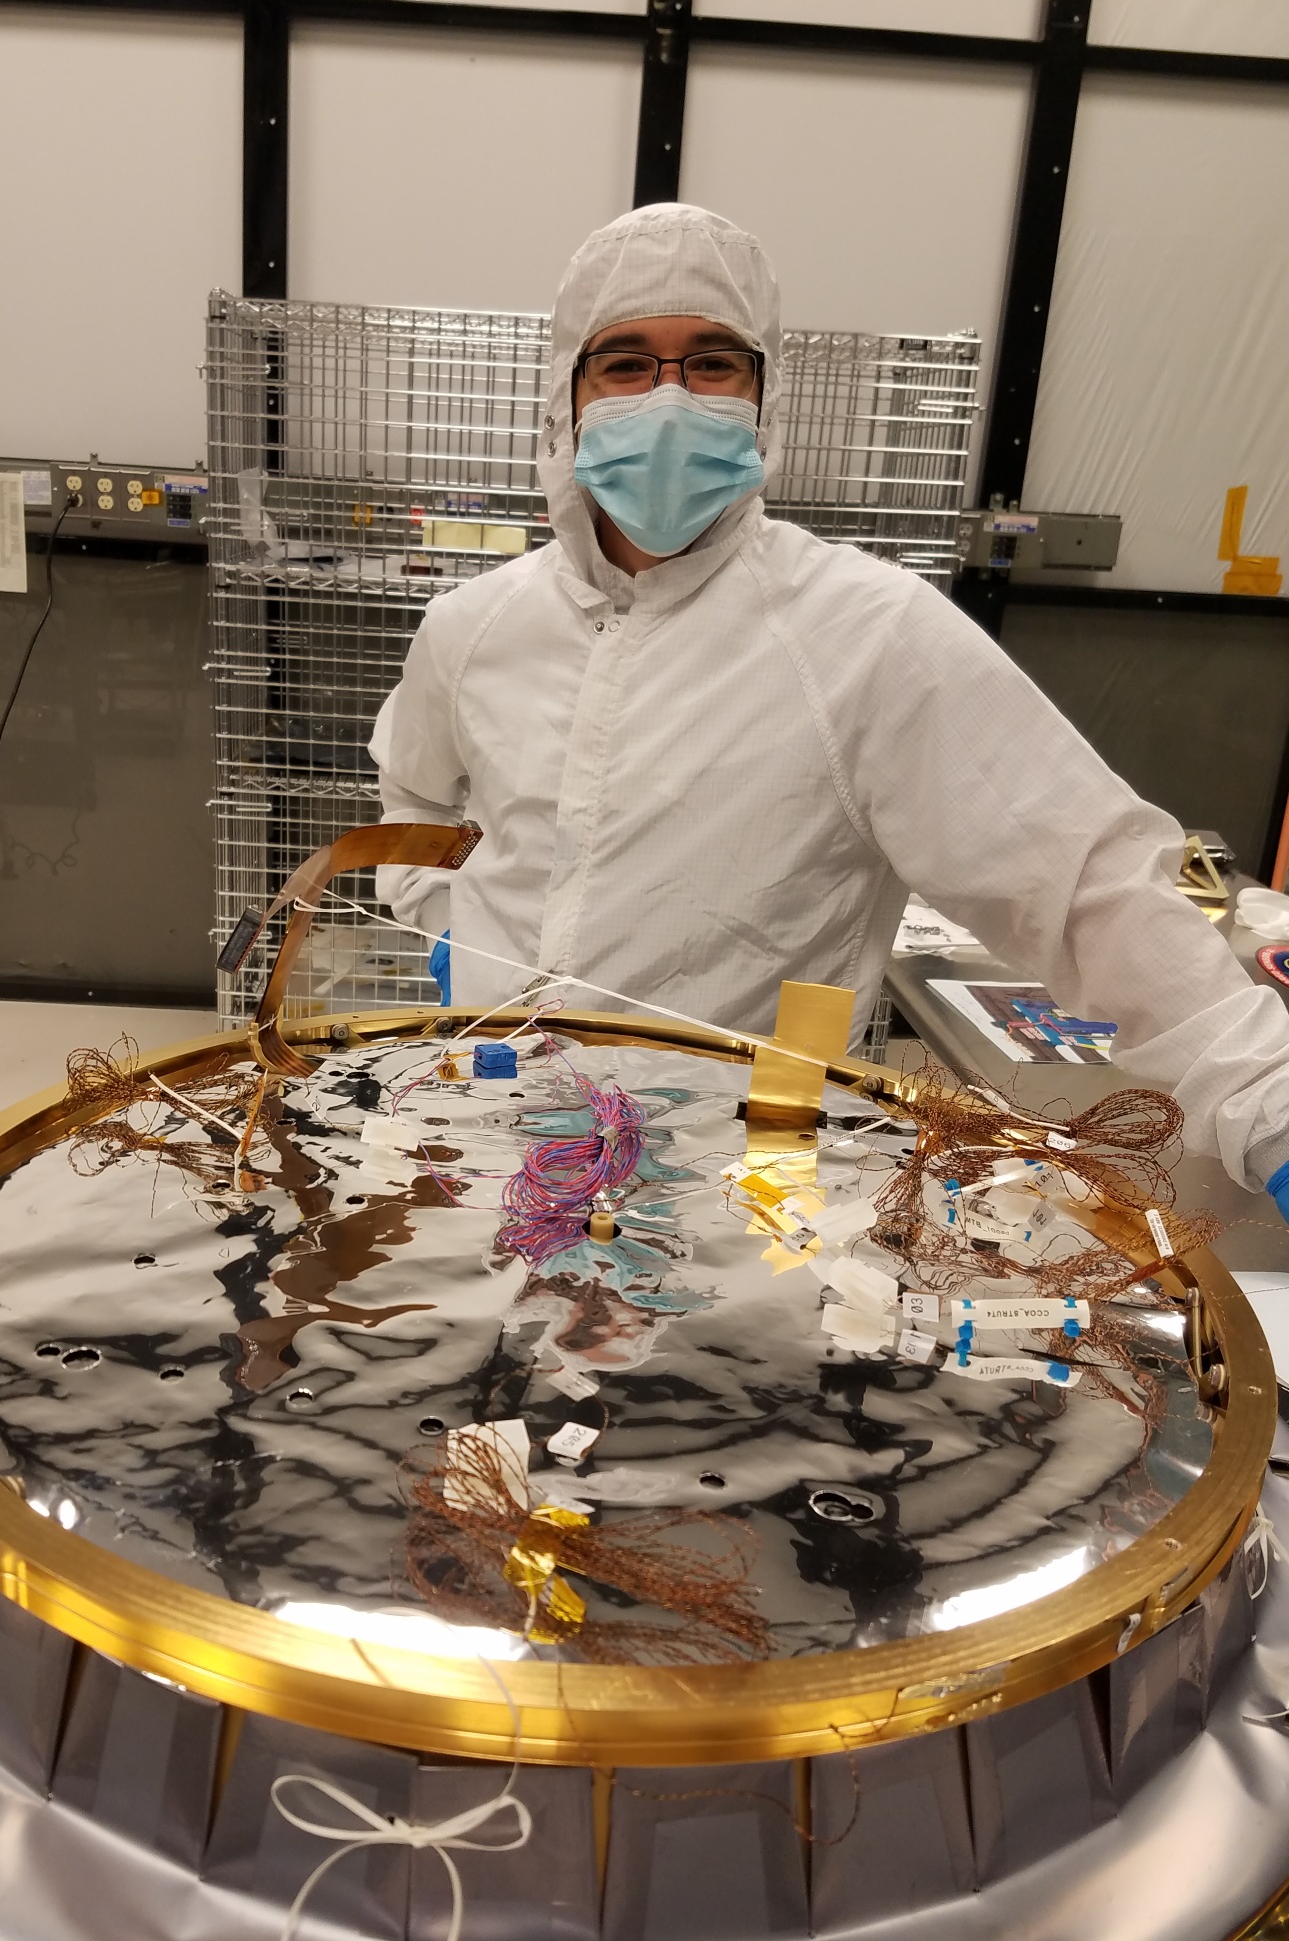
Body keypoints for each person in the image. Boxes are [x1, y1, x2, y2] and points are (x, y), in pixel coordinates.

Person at [370, 202, 1289, 1210]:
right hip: (494, 1129)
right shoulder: (476, 627)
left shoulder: (867, 633)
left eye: (712, 364)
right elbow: (412, 799)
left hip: (743, 1171)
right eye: (626, 364)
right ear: (567, 397)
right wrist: (452, 932)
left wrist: (1271, 1102)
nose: (669, 399)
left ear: (765, 397)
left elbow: (1086, 888)